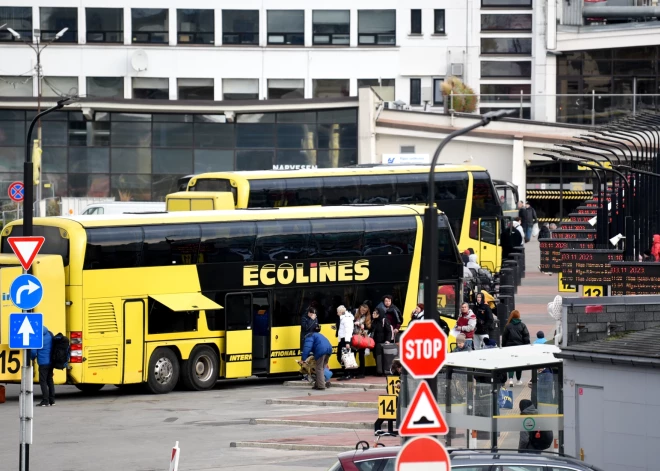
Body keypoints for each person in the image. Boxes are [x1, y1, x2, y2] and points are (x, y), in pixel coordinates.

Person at [502, 310, 530, 386]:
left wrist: (503, 346)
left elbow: (504, 337)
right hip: (519, 347)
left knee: (511, 363)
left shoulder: (508, 326)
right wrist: (527, 346)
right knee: (519, 363)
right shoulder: (522, 325)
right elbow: (526, 336)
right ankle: (518, 380)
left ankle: (510, 379)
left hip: (509, 347)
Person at [300, 325, 333, 390]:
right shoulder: (319, 335)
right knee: (322, 368)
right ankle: (317, 384)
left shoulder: (309, 336)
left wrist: (303, 359)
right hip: (329, 350)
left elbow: (307, 348)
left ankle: (321, 386)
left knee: (319, 368)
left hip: (321, 351)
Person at [31, 325, 54, 407]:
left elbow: (33, 352)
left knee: (43, 381)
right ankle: (52, 400)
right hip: (51, 361)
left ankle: (45, 400)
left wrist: (32, 358)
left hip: (43, 362)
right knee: (50, 380)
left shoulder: (37, 338)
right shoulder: (50, 334)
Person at [369, 307, 394, 376]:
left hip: (382, 342)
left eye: (375, 313)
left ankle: (384, 371)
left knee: (382, 357)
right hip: (375, 342)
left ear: (379, 314)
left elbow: (389, 331)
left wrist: (388, 340)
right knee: (376, 356)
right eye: (373, 313)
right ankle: (379, 370)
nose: (373, 314)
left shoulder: (384, 320)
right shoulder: (374, 321)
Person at [353, 304, 372, 379]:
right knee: (353, 354)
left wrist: (363, 325)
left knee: (361, 355)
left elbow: (369, 327)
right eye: (362, 310)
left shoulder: (367, 317)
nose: (363, 312)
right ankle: (353, 371)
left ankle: (362, 372)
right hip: (354, 337)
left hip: (361, 338)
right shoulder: (355, 313)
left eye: (365, 311)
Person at [336, 305, 354, 381]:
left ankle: (347, 374)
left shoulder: (346, 319)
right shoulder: (344, 318)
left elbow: (348, 331)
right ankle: (347, 373)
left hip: (345, 340)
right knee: (343, 357)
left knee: (344, 357)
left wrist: (347, 342)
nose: (337, 313)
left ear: (340, 312)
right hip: (343, 340)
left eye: (337, 312)